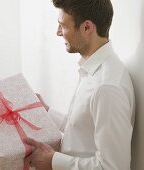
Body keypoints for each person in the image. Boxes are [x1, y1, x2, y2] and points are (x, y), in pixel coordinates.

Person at [25, 0, 135, 169]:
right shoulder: (92, 71)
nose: (58, 32)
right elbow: (84, 131)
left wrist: (53, 161)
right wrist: (47, 112)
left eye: (63, 25)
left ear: (87, 28)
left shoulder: (107, 87)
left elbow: (113, 167)